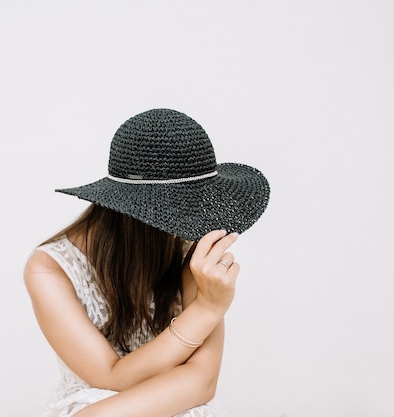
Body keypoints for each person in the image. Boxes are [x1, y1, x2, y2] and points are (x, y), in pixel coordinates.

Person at [24, 108, 270, 417]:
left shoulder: (190, 251)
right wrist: (208, 308)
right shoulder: (50, 270)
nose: (200, 219)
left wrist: (210, 306)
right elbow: (109, 377)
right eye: (189, 204)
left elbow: (203, 382)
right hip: (99, 403)